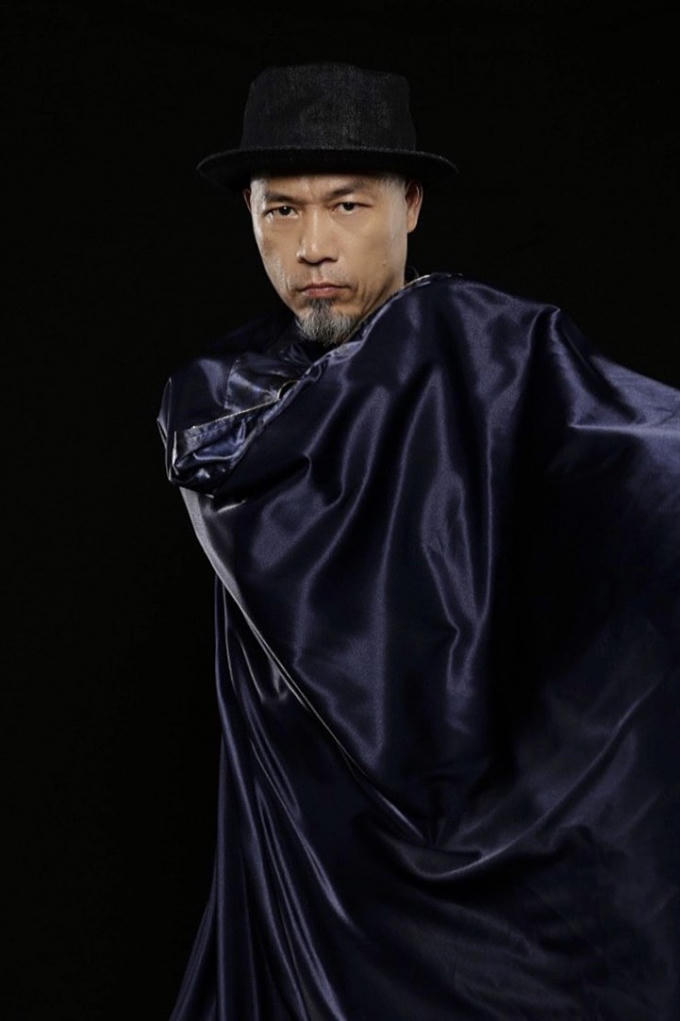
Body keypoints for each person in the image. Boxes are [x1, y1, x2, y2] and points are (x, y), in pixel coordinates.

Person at [158, 62, 680, 1020]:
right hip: (306, 876)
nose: (313, 245)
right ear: (250, 215)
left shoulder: (484, 351)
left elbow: (639, 456)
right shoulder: (218, 400)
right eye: (282, 210)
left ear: (410, 207)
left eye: (347, 204)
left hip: (488, 890)